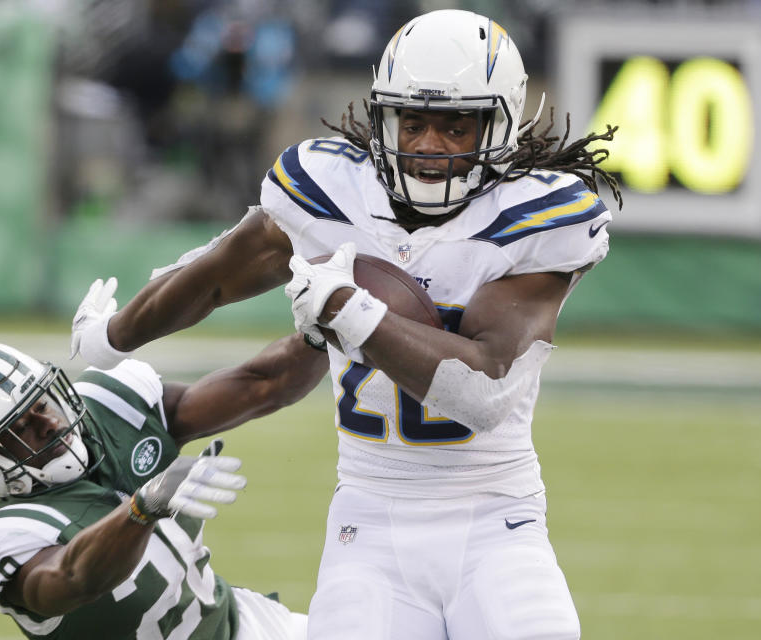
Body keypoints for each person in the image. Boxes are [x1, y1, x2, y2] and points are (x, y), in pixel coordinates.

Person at [70, 9, 621, 640]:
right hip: (369, 524)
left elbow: (484, 392)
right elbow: (216, 276)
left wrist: (350, 311)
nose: (428, 146)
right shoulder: (332, 191)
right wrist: (112, 337)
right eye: (412, 122)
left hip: (495, 518)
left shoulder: (536, 216)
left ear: (500, 123)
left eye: (454, 124)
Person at [0, 334, 328, 640]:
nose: (50, 422)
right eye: (22, 428)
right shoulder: (4, 535)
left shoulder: (107, 411)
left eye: (42, 402)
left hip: (245, 624)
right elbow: (73, 578)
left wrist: (324, 326)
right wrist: (140, 511)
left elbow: (263, 384)